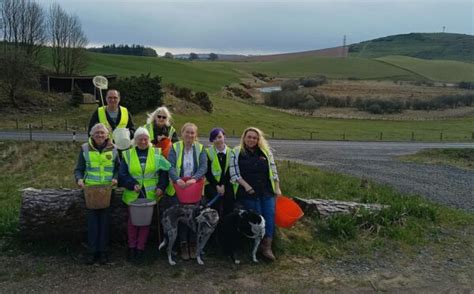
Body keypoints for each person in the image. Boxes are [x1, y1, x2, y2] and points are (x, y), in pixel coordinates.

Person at [119, 127, 171, 262]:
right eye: (140, 139)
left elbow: (164, 172)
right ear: (135, 140)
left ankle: (140, 248)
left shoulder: (157, 153)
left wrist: (161, 186)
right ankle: (131, 247)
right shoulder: (128, 154)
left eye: (145, 139)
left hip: (150, 193)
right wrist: (131, 184)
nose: (143, 141)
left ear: (149, 140)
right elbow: (122, 174)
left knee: (145, 222)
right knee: (132, 222)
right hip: (133, 193)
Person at [230, 127, 282, 261]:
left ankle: (267, 247)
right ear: (244, 138)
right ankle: (253, 246)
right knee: (256, 218)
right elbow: (234, 173)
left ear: (258, 139)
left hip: (266, 190)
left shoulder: (265, 152)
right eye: (249, 137)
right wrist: (247, 186)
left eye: (255, 137)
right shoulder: (236, 152)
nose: (252, 140)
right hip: (248, 192)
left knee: (269, 217)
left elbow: (273, 170)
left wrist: (277, 187)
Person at [74, 123, 120, 265]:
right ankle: (92, 253)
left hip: (106, 191)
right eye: (97, 133)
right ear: (91, 135)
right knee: (93, 223)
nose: (100, 135)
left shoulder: (114, 149)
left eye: (102, 133)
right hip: (91, 192)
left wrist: (116, 178)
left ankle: (103, 252)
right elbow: (79, 169)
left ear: (107, 135)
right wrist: (79, 179)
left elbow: (118, 168)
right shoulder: (85, 148)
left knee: (105, 223)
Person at [168, 122, 207, 261]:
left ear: (195, 135)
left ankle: (193, 245)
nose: (189, 135)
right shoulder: (175, 147)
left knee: (194, 217)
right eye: (187, 132)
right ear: (182, 133)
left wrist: (194, 179)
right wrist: (177, 179)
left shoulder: (200, 148)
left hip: (194, 188)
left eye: (192, 133)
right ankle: (183, 245)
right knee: (182, 218)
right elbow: (170, 166)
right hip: (179, 188)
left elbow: (203, 166)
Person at [204, 127, 235, 217]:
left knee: (229, 205)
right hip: (212, 184)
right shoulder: (207, 152)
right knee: (215, 207)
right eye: (214, 138)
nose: (218, 140)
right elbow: (208, 172)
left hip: (227, 183)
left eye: (219, 137)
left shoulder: (232, 152)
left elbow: (230, 171)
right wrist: (217, 186)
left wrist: (223, 185)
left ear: (224, 136)